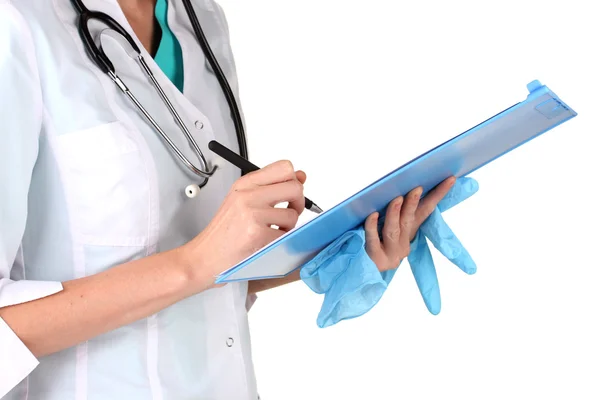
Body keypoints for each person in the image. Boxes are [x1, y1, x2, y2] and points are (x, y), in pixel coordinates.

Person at [0, 0, 456, 398]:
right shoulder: (16, 25)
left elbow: (215, 270)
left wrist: (343, 243)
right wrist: (195, 263)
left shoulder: (201, 19)